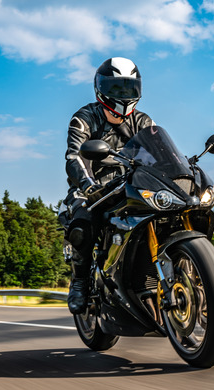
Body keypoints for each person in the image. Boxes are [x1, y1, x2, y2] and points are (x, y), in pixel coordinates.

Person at [61, 57, 155, 314]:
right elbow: (74, 157)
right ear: (100, 88)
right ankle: (79, 280)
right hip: (93, 187)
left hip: (131, 184)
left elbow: (159, 154)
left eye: (128, 88)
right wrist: (88, 186)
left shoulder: (144, 122)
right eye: (116, 88)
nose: (123, 95)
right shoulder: (84, 118)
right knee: (83, 224)